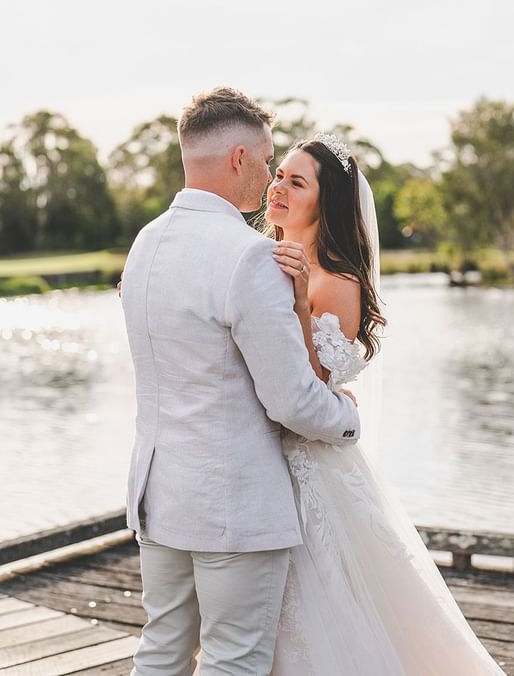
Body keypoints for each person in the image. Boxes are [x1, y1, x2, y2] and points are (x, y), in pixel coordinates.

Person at [119, 88, 361, 676]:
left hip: (157, 495)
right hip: (233, 506)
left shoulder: (145, 245)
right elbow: (291, 402)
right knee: (234, 661)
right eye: (266, 158)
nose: (267, 174)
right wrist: (348, 416)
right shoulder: (249, 255)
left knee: (162, 650)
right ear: (237, 158)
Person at [266, 134, 507, 675]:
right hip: (262, 461)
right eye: (279, 174)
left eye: (296, 182)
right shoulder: (259, 256)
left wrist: (301, 300)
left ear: (324, 203)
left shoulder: (338, 280)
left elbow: (310, 383)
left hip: (311, 469)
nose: (277, 187)